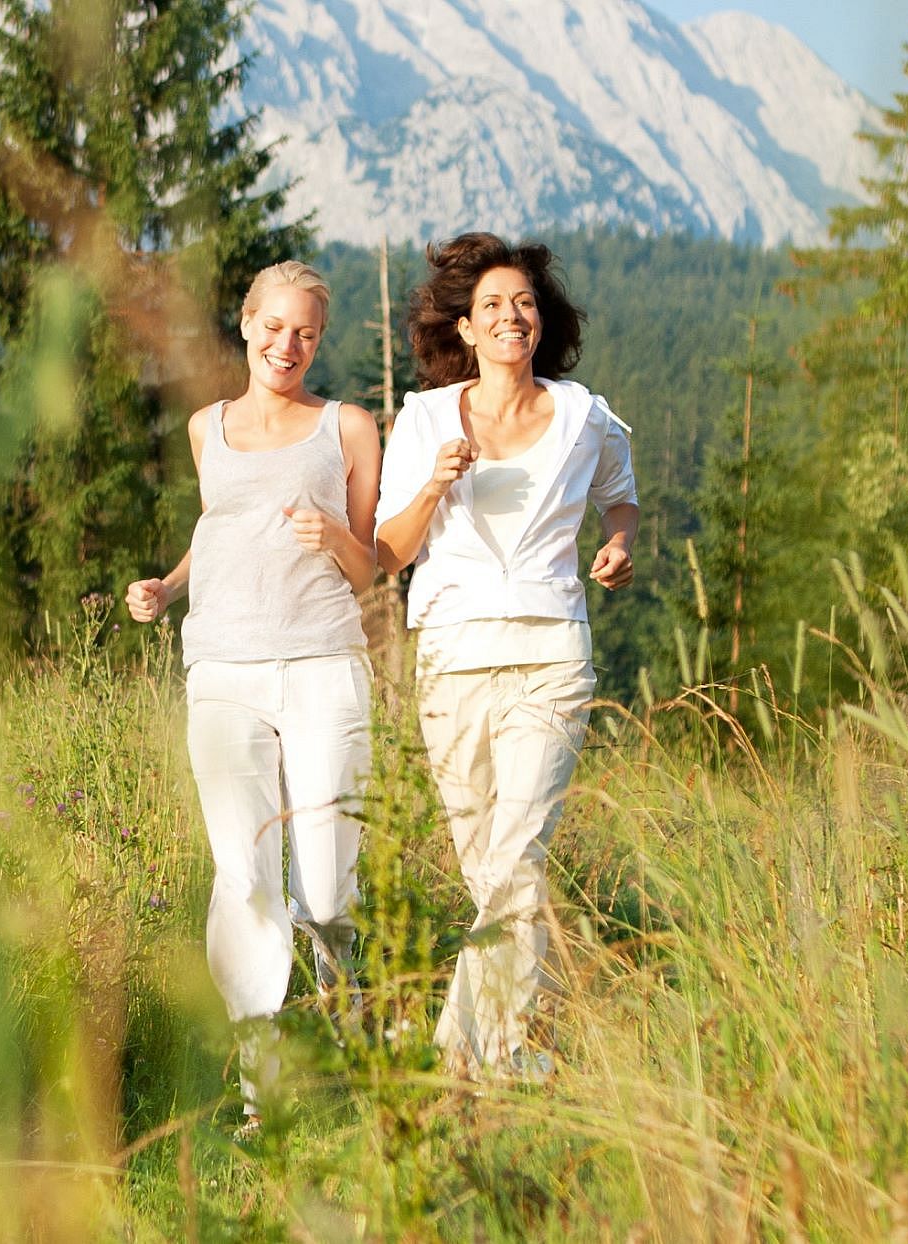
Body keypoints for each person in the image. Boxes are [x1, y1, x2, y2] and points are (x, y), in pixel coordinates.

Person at [374, 233, 638, 1079]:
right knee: (488, 862)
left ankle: (472, 1056)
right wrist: (432, 487)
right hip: (451, 656)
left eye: (523, 303)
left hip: (550, 652)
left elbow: (621, 500)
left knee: (519, 854)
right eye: (491, 305)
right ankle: (515, 1037)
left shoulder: (583, 415)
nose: (509, 316)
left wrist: (619, 545)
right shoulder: (422, 421)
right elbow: (389, 550)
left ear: (540, 320)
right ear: (464, 326)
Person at [124, 260, 383, 1116]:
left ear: (319, 340)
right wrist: (167, 586)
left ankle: (347, 1051)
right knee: (243, 878)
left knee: (326, 884)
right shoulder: (208, 427)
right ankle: (259, 1090)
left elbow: (373, 566)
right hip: (223, 669)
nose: (288, 345)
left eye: (305, 332)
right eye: (274, 328)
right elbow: (221, 533)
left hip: (322, 667)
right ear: (246, 325)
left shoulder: (346, 427)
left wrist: (330, 532)